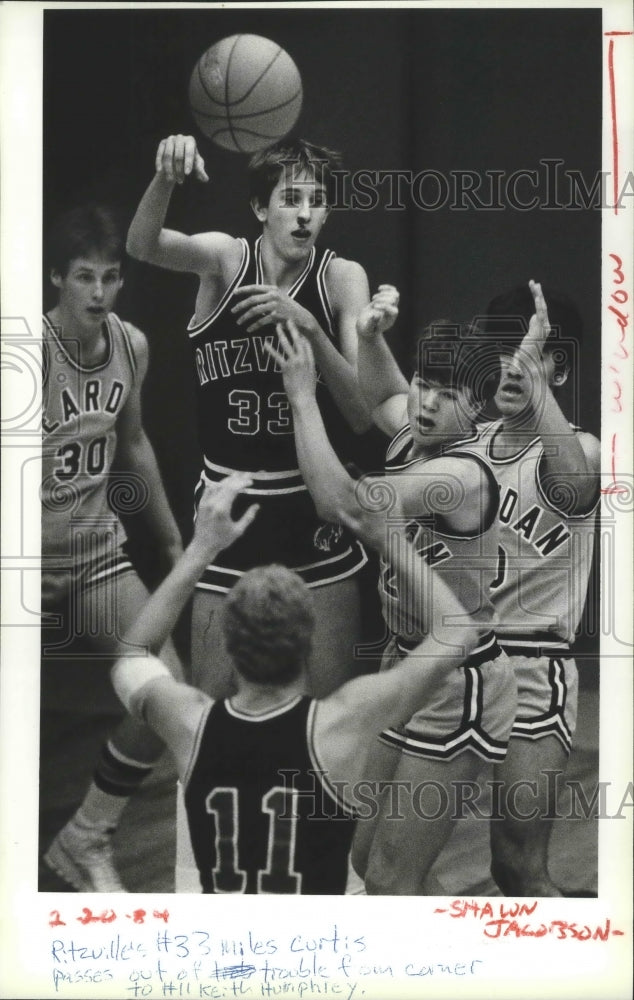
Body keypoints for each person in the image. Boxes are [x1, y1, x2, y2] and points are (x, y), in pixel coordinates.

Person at [111, 471, 475, 894]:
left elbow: (131, 654)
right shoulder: (342, 722)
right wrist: (389, 540)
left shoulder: (189, 723)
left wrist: (201, 549)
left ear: (228, 644)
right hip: (310, 954)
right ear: (308, 643)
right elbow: (458, 632)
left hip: (229, 952)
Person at [267, 295, 518, 894]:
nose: (426, 404)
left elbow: (345, 504)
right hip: (410, 659)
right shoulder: (420, 434)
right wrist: (370, 336)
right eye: (425, 385)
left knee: (389, 877)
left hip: (460, 678)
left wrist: (303, 398)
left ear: (478, 405)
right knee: (367, 861)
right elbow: (383, 397)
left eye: (447, 393)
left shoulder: (456, 476)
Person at [126, 134, 373, 700]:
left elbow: (360, 412)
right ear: (262, 208)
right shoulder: (225, 259)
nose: (305, 212)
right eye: (291, 198)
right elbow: (143, 246)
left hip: (312, 508)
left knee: (326, 714)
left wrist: (308, 326)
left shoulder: (341, 279)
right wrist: (166, 175)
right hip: (230, 509)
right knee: (214, 704)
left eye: (317, 198)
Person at [41, 203, 185, 892]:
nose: (98, 293)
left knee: (170, 693)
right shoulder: (26, 353)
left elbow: (133, 444)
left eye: (110, 277)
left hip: (96, 553)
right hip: (23, 562)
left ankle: (86, 833)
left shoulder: (132, 345)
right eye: (82, 278)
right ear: (55, 281)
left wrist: (168, 534)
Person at [473, 280, 600, 896]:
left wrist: (534, 371)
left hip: (533, 663)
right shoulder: (464, 444)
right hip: (460, 662)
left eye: (532, 349)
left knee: (518, 866)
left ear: (559, 366)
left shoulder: (583, 448)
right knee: (394, 862)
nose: (514, 361)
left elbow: (574, 487)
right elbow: (384, 403)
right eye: (504, 347)